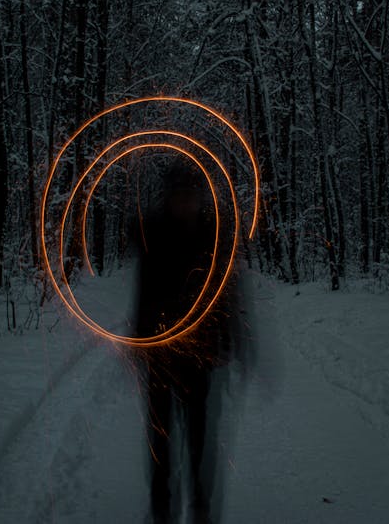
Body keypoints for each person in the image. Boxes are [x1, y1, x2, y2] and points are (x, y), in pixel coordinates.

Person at [133, 160, 244, 524]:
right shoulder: (155, 234)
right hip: (160, 353)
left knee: (198, 436)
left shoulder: (211, 235)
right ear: (170, 198)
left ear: (200, 197)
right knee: (161, 439)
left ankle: (200, 506)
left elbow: (224, 292)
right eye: (180, 196)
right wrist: (139, 340)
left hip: (199, 354)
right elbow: (144, 291)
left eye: (191, 195)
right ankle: (162, 507)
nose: (186, 203)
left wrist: (228, 339)